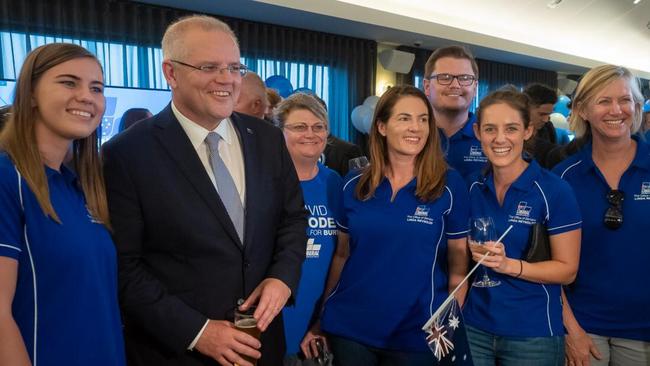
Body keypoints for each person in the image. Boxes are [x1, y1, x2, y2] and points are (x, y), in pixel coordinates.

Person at [102, 15, 307, 366]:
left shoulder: (269, 140)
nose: (226, 79)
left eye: (234, 67)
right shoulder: (126, 154)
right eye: (209, 67)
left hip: (263, 345)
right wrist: (198, 332)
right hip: (177, 351)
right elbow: (124, 268)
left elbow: (292, 220)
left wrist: (282, 278)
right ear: (171, 73)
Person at [310, 85, 470, 365]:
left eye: (423, 119)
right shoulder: (353, 184)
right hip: (351, 328)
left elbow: (459, 269)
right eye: (404, 118)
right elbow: (342, 255)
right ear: (382, 126)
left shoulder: (449, 185)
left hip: (418, 333)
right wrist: (323, 314)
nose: (416, 128)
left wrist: (445, 327)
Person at [0, 43, 126, 365]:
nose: (87, 96)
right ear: (30, 95)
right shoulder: (7, 178)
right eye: (69, 82)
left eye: (96, 88)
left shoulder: (78, 187)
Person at [463, 89, 582, 365]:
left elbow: (567, 270)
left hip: (532, 333)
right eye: (490, 129)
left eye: (511, 128)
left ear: (528, 131)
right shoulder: (470, 185)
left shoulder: (554, 190)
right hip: (473, 327)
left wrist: (509, 265)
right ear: (477, 131)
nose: (500, 138)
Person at [553, 65, 650, 366]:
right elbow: (549, 264)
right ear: (582, 109)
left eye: (625, 100)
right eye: (604, 101)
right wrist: (570, 330)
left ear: (636, 107)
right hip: (584, 326)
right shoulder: (562, 178)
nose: (616, 110)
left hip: (643, 331)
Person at [274, 93, 342, 365]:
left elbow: (344, 255)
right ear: (279, 132)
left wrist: (323, 321)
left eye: (319, 127)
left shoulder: (335, 183)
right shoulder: (264, 182)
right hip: (273, 324)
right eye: (299, 127)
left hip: (319, 326)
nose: (310, 134)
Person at [423, 45, 487, 181]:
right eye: (444, 77)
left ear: (475, 88)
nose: (455, 85)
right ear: (427, 87)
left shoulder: (491, 137)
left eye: (464, 78)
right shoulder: (412, 135)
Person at [523, 83, 559, 167]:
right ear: (526, 108)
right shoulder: (513, 131)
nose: (546, 120)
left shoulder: (548, 127)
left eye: (549, 115)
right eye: (542, 114)